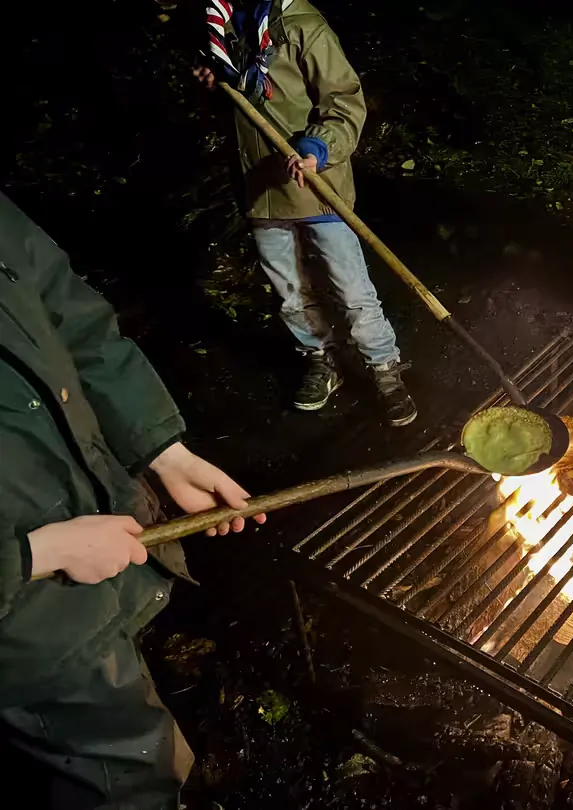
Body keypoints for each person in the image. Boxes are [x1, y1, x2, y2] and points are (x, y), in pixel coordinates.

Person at [0, 190, 264, 808]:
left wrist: (162, 449)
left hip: (80, 525)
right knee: (126, 778)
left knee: (131, 719)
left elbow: (70, 317)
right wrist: (32, 555)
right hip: (24, 624)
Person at [195, 0, 417, 424]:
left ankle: (384, 367)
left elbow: (344, 100)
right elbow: (246, 109)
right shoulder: (225, 27)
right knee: (290, 292)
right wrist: (215, 84)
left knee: (351, 289)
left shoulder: (301, 26)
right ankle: (321, 359)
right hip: (261, 189)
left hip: (315, 183)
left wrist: (318, 148)